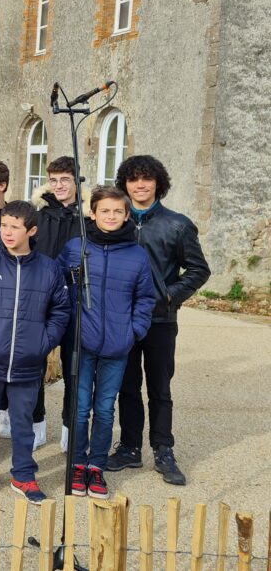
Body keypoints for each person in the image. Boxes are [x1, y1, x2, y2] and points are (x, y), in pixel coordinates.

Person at [0, 201, 70, 504]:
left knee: (23, 423)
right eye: (4, 225)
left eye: (14, 227)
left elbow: (61, 310)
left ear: (31, 231)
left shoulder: (49, 269)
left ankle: (23, 475)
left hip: (27, 363)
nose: (7, 232)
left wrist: (44, 342)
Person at [106, 155, 209, 485]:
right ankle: (130, 448)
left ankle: (163, 449)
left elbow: (198, 270)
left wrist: (168, 295)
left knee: (159, 387)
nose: (140, 184)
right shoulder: (115, 221)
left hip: (160, 320)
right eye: (134, 178)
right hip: (122, 320)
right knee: (127, 386)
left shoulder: (177, 225)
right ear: (125, 183)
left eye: (146, 178)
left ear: (157, 183)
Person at [58, 187, 155, 499]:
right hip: (81, 341)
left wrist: (134, 331)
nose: (111, 216)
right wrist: (66, 323)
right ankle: (76, 463)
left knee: (104, 408)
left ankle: (96, 465)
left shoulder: (137, 254)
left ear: (126, 215)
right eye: (105, 211)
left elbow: (145, 298)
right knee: (80, 406)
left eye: (117, 211)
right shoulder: (76, 247)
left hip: (117, 343)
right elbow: (58, 287)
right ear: (92, 213)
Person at [30, 156, 90, 450]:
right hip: (42, 301)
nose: (59, 186)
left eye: (65, 180)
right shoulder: (39, 216)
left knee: (74, 367)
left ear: (77, 181)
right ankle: (37, 422)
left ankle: (70, 426)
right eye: (54, 180)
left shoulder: (87, 218)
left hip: (77, 302)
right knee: (34, 365)